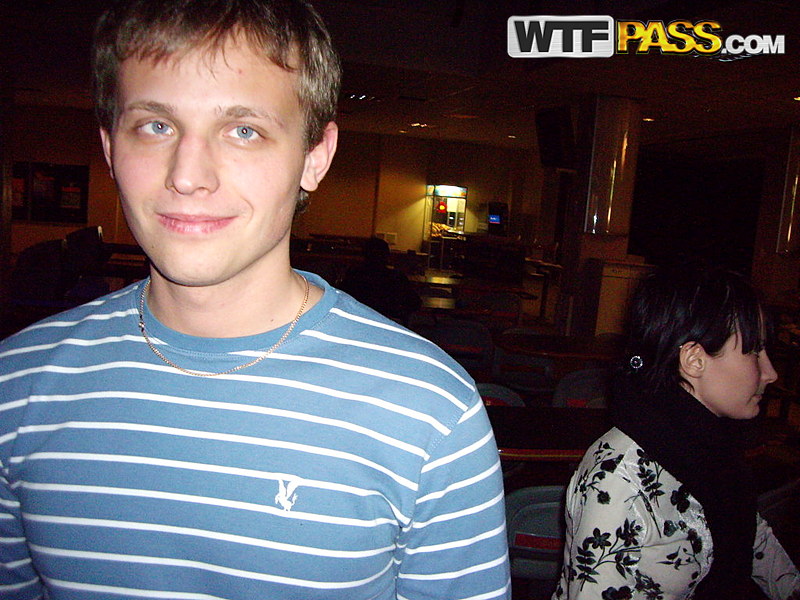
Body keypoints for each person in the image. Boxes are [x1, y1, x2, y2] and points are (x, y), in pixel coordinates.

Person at [0, 1, 510, 598]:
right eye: (156, 126)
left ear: (315, 157)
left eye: (244, 131)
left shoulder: (431, 411)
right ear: (111, 148)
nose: (188, 175)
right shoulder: (15, 384)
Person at [553, 266, 800, 600]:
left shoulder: (712, 444)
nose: (770, 373)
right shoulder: (619, 478)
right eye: (754, 352)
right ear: (694, 360)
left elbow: (752, 538)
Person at [339, 237, 422, 324]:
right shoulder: (396, 277)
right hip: (389, 324)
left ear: (364, 255)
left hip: (358, 322)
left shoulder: (354, 275)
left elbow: (342, 298)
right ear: (387, 256)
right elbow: (414, 303)